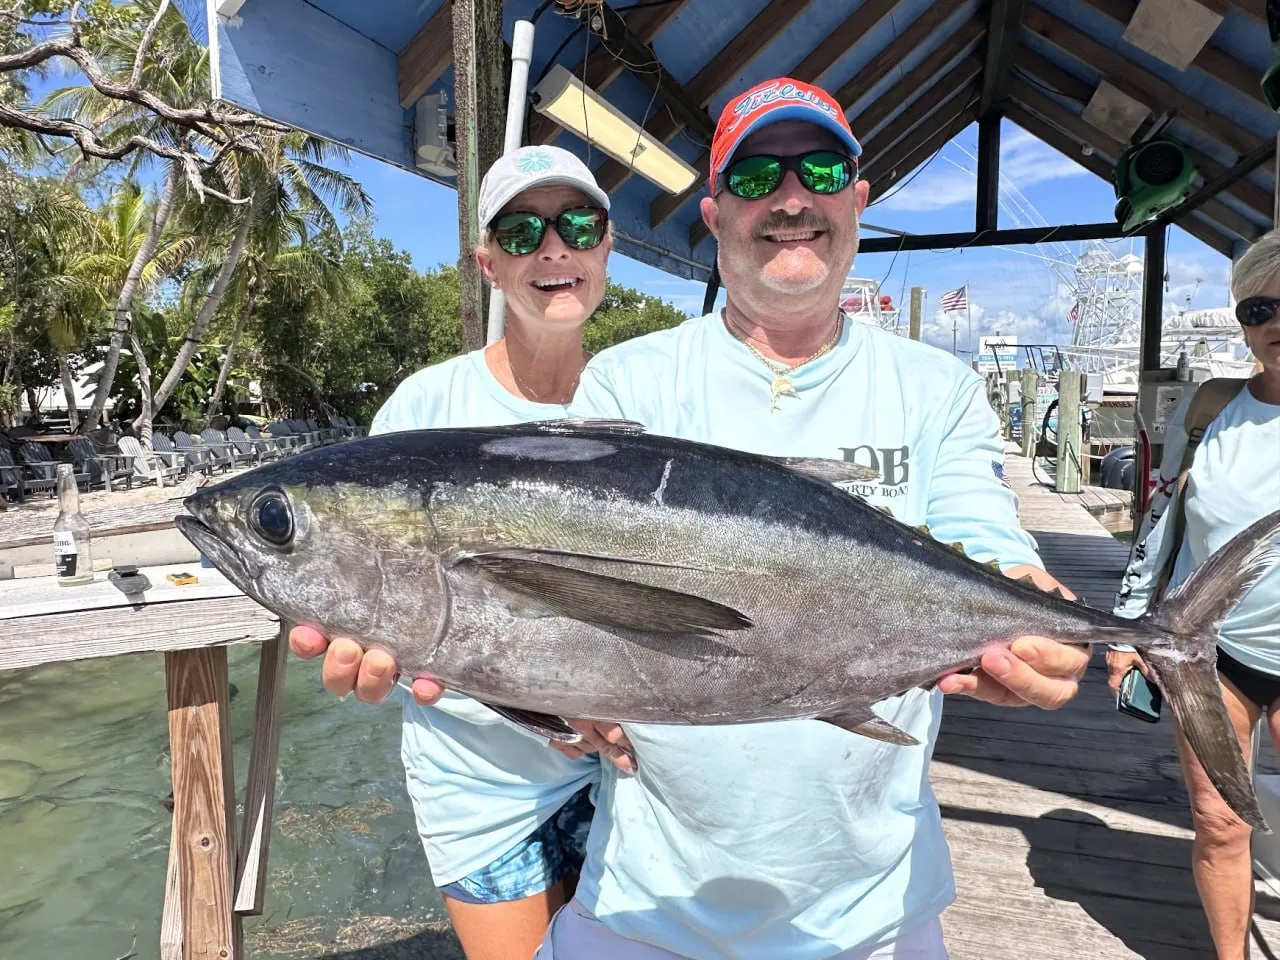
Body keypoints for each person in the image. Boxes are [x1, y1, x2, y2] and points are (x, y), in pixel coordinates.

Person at [296, 77, 1091, 959]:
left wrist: (1034, 618)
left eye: (820, 169)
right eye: (755, 179)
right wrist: (550, 698)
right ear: (714, 218)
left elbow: (989, 545)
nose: (791, 198)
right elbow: (579, 618)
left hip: (879, 907)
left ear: (858, 199)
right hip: (649, 904)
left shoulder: (938, 387)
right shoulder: (627, 384)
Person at [292, 144, 621, 960]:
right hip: (483, 782)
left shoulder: (642, 396)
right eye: (522, 231)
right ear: (487, 262)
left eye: (579, 224)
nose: (554, 248)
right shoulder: (425, 406)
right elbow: (375, 581)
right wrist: (369, 649)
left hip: (634, 768)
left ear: (606, 246)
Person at [1108, 230, 1280, 960]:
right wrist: (1125, 630)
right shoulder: (1210, 410)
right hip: (1209, 649)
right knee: (1218, 822)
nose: (1277, 323)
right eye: (1260, 308)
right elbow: (1160, 523)